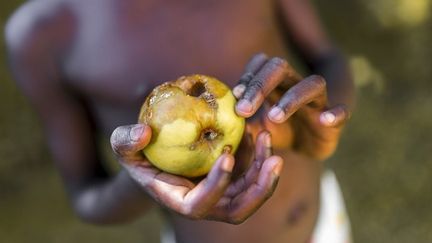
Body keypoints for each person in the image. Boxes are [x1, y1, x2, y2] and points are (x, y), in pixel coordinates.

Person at [5, 0, 354, 242]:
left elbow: (328, 59)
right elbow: (86, 196)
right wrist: (142, 184)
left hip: (323, 226)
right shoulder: (42, 36)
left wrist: (324, 122)